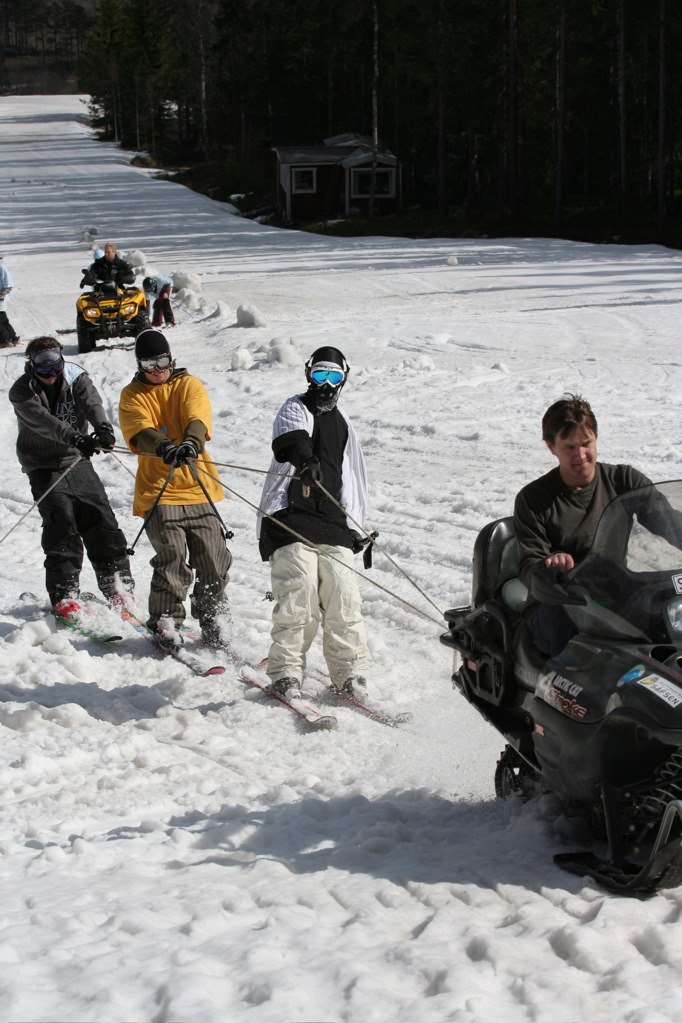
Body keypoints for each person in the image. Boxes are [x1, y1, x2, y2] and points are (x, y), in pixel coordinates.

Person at [256, 345, 370, 698]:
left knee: (343, 594)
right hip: (289, 515)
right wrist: (306, 462)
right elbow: (292, 440)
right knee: (300, 592)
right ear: (309, 375)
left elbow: (351, 477)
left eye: (333, 376)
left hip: (332, 520)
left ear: (344, 379)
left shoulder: (344, 423)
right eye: (320, 374)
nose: (326, 384)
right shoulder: (295, 407)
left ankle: (350, 673)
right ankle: (286, 672)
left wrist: (355, 527)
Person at [118, 328, 232, 649]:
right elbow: (139, 430)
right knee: (173, 556)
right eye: (149, 364)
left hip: (198, 486)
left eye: (163, 362)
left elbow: (198, 417)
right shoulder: (132, 394)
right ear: (140, 366)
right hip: (159, 489)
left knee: (214, 556)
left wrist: (191, 443)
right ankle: (166, 619)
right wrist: (164, 446)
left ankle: (213, 615)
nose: (158, 370)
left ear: (172, 359)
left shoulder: (188, 384)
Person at [514, 393, 652, 656]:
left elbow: (668, 521)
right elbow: (528, 565)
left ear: (596, 438)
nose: (580, 455)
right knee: (570, 621)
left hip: (612, 594)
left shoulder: (624, 480)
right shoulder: (533, 499)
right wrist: (548, 566)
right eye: (569, 447)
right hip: (556, 603)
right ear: (551, 447)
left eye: (586, 443)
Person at [8, 336, 134, 614]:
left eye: (55, 367)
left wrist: (103, 428)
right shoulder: (21, 391)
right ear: (32, 365)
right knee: (61, 521)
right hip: (41, 463)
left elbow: (92, 403)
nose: (50, 375)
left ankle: (118, 587)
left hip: (75, 459)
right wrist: (76, 437)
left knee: (100, 516)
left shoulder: (76, 376)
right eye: (43, 369)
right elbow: (44, 422)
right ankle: (65, 594)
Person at [0, 255, 20, 348]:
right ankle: (13, 338)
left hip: (1, 298)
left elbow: (8, 285)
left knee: (1, 320)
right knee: (3, 320)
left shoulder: (1, 268)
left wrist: (2, 294)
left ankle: (4, 341)